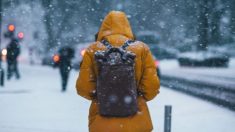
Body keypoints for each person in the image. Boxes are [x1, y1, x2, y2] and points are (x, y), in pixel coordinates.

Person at [76, 11, 160, 132]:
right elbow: (151, 87)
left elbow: (83, 88)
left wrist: (104, 96)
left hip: (101, 122)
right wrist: (133, 98)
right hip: (137, 121)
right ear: (127, 27)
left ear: (102, 28)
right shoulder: (141, 49)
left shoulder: (93, 49)